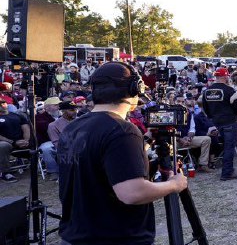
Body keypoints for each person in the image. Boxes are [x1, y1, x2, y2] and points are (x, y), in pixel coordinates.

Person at [57, 62, 187, 244]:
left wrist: (146, 142)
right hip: (115, 237)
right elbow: (133, 193)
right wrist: (174, 184)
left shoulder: (73, 128)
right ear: (134, 89)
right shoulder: (122, 130)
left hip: (76, 234)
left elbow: (101, 162)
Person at [200, 67, 237, 181]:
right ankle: (227, 173)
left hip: (216, 123)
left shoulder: (207, 91)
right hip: (229, 122)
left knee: (225, 146)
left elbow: (205, 108)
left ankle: (228, 170)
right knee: (229, 148)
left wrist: (212, 118)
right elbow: (236, 106)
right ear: (225, 77)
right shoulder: (229, 90)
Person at [175, 95, 212, 172]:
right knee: (169, 144)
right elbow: (168, 133)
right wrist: (180, 139)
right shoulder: (169, 113)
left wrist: (189, 138)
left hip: (186, 139)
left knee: (207, 139)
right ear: (174, 102)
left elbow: (192, 129)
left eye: (182, 101)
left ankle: (203, 164)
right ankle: (175, 168)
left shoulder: (188, 113)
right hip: (174, 141)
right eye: (178, 101)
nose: (180, 103)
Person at [0, 95, 30, 183]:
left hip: (22, 141)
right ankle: (5, 173)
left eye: (3, 103)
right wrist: (12, 142)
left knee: (36, 139)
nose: (2, 105)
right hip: (5, 142)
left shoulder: (17, 115)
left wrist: (26, 140)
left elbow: (25, 127)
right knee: (2, 146)